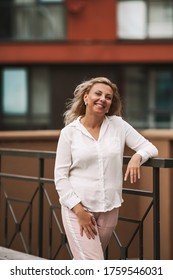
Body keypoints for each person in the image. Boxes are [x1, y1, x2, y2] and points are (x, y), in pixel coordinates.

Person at [54, 77, 158, 260]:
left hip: (109, 209)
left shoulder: (118, 125)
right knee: (94, 263)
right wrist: (79, 212)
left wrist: (137, 156)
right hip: (78, 209)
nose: (103, 99)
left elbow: (150, 147)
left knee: (85, 262)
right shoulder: (69, 133)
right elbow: (60, 177)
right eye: (98, 94)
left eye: (108, 97)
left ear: (110, 104)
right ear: (86, 98)